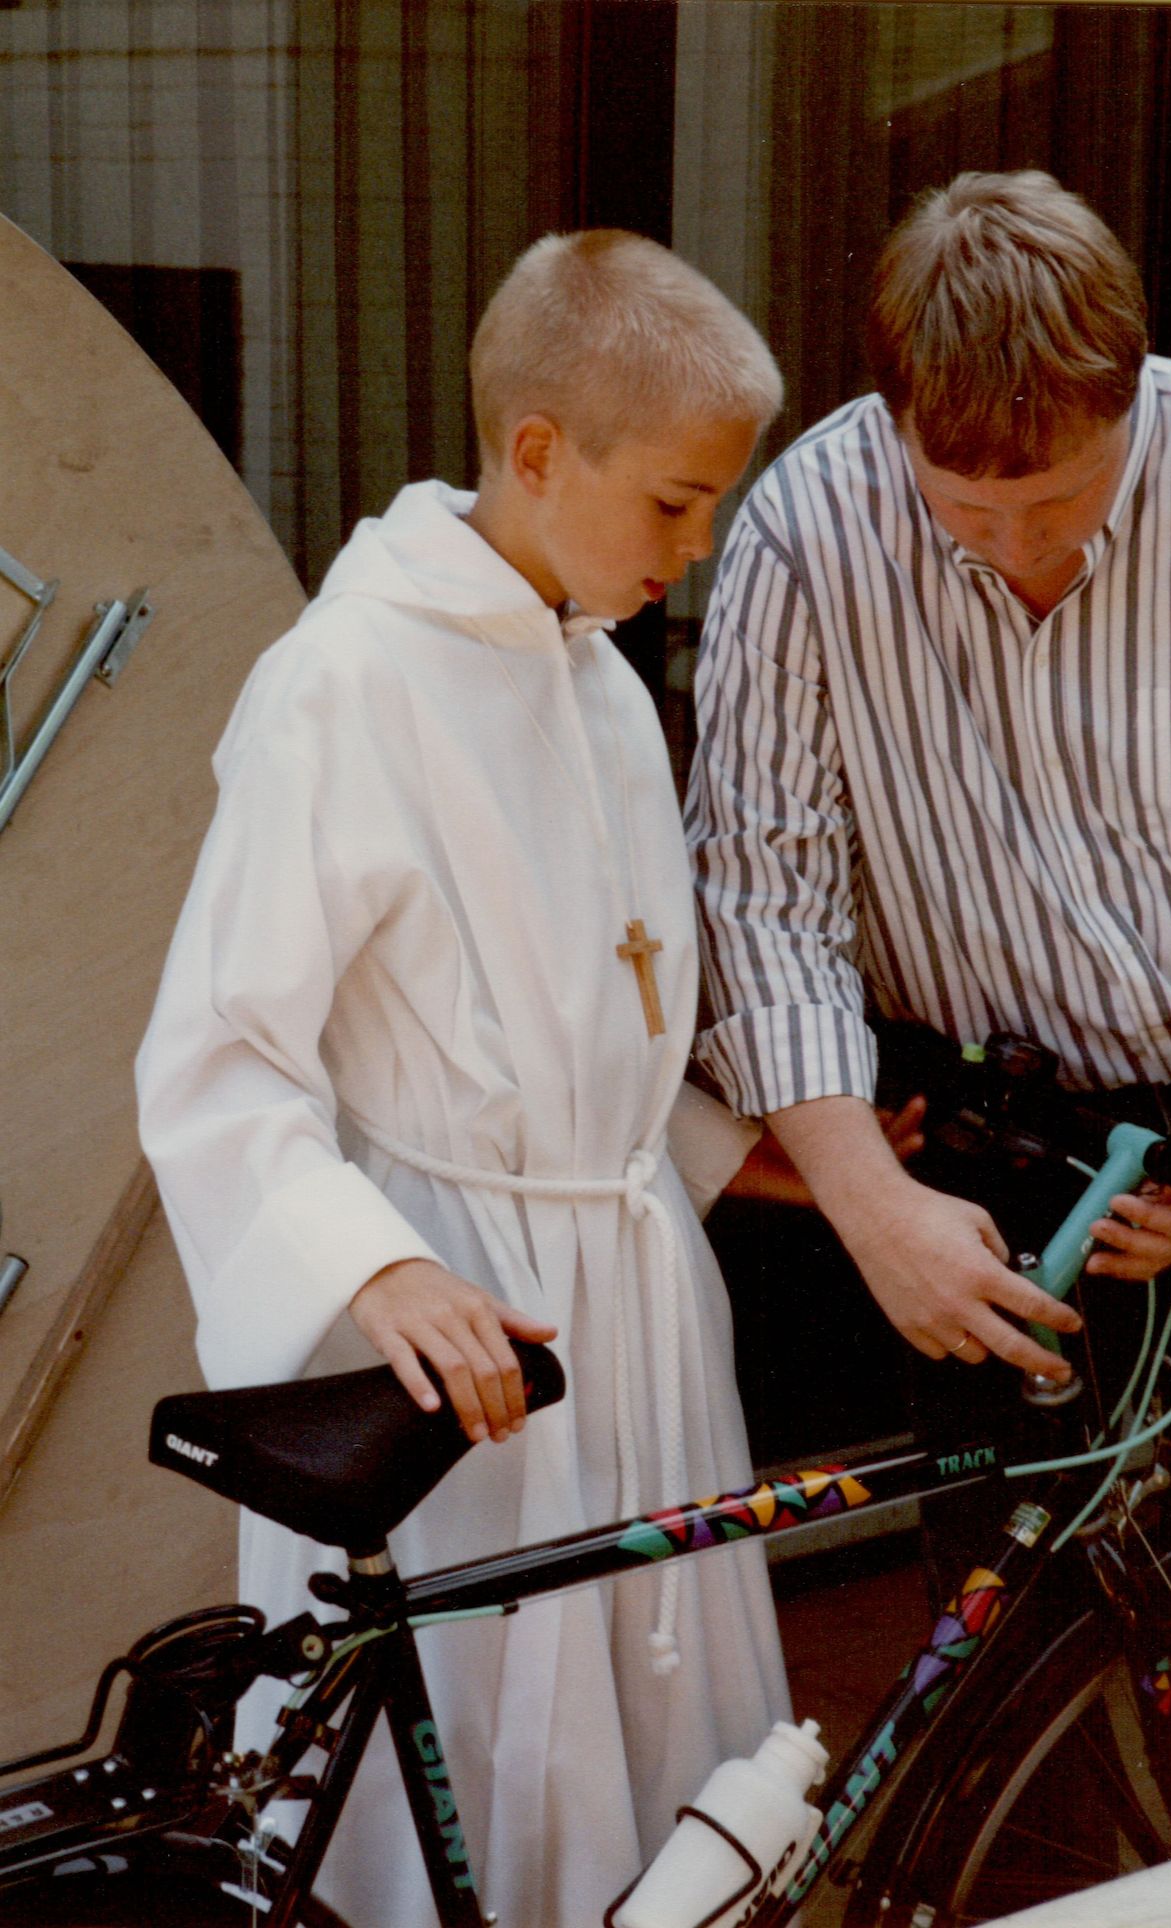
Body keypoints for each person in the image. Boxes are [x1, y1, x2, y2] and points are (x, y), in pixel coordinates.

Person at [136, 228, 791, 1924]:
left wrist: (724, 1152)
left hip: (637, 1310)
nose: (698, 544)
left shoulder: (598, 673)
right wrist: (378, 1268)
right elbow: (222, 1053)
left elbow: (580, 1024)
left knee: (659, 1758)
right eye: (676, 501)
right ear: (539, 449)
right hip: (468, 1333)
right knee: (485, 1779)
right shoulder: (345, 683)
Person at [686, 170, 1171, 1518]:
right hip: (975, 1161)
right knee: (1011, 1595)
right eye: (962, 510)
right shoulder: (803, 531)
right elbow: (766, 897)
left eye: (1063, 501)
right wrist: (871, 1210)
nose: (1017, 549)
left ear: (1135, 396)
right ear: (897, 424)